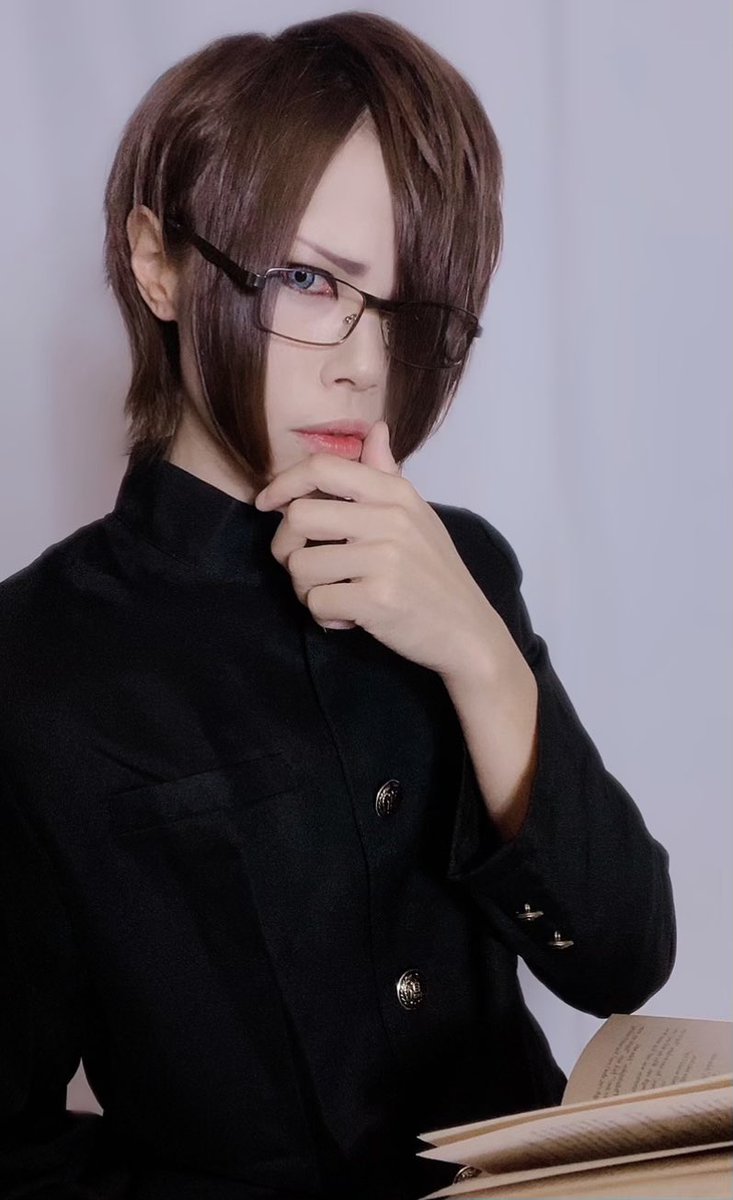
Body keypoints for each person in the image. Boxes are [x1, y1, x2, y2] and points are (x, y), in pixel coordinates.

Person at [0, 11, 675, 1200]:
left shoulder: (461, 565)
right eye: (312, 280)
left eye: (407, 309)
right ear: (158, 262)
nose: (366, 363)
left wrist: (478, 654)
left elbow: (623, 961)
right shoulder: (33, 662)